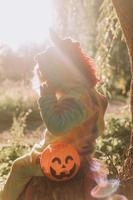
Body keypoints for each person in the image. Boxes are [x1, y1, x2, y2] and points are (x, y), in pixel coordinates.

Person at [1, 31, 107, 200]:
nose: (45, 82)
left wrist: (47, 98)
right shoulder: (92, 94)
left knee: (18, 167)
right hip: (83, 154)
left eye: (46, 77)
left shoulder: (76, 99)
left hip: (61, 159)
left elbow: (57, 127)